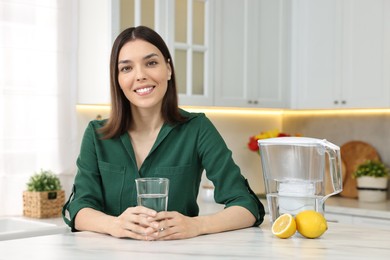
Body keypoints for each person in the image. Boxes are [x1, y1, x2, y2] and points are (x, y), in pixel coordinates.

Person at [62, 25, 265, 241]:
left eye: (151, 63)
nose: (140, 76)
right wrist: (115, 224)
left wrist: (197, 225)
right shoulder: (96, 135)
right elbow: (78, 209)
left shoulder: (197, 128)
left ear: (168, 69)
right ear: (117, 79)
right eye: (126, 68)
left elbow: (247, 206)